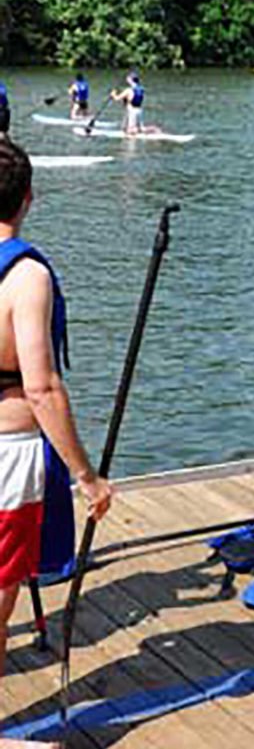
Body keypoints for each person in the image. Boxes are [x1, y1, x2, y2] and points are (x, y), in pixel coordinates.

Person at [0, 140, 112, 678]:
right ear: (28, 199)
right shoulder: (27, 276)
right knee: (0, 592)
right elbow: (42, 388)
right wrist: (87, 477)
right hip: (9, 451)